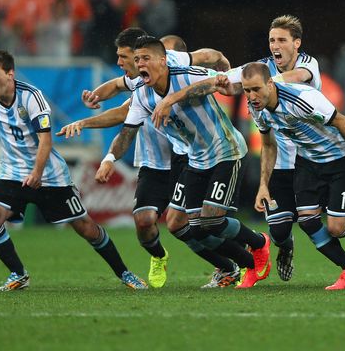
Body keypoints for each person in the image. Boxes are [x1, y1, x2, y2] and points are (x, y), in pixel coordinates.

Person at [58, 29, 237, 288]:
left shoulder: (174, 67)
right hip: (153, 161)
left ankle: (232, 261)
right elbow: (120, 95)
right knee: (144, 223)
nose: (121, 62)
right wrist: (95, 99)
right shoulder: (139, 81)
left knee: (188, 223)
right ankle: (160, 256)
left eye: (123, 57)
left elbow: (207, 57)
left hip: (184, 157)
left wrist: (223, 65)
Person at [0, 49, 147, 292]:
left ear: (10, 74)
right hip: (13, 172)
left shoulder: (31, 97)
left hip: (50, 174)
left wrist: (37, 173)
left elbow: (45, 140)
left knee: (85, 228)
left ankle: (125, 273)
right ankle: (18, 274)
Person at [95, 36, 272, 288]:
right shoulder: (142, 96)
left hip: (226, 152)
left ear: (162, 61)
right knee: (181, 224)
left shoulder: (186, 75)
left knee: (211, 220)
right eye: (137, 60)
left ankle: (258, 243)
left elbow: (229, 77)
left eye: (146, 58)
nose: (140, 63)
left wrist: (173, 98)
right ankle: (243, 263)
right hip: (196, 159)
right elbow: (126, 133)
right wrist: (109, 158)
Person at [221, 15, 322, 283]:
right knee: (277, 232)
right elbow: (227, 78)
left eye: (282, 40)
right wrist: (210, 82)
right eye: (271, 40)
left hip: (311, 162)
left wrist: (265, 85)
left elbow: (297, 77)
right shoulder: (261, 69)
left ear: (296, 43)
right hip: (277, 161)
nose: (275, 45)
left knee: (330, 224)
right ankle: (285, 246)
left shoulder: (307, 63)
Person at [242, 61, 345, 290]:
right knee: (307, 220)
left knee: (336, 228)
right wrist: (263, 185)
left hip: (339, 160)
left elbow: (342, 121)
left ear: (270, 83)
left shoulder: (302, 99)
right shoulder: (256, 108)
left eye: (256, 89)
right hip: (306, 163)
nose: (252, 96)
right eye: (247, 90)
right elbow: (268, 145)